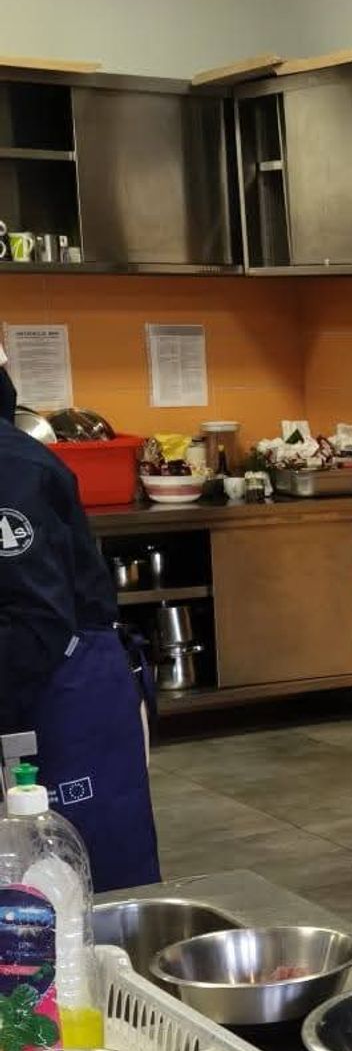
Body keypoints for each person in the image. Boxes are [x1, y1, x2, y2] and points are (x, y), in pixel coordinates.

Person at [0, 353, 160, 889]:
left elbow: (36, 621)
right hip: (30, 691)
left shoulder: (11, 469)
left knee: (81, 889)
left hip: (65, 699)